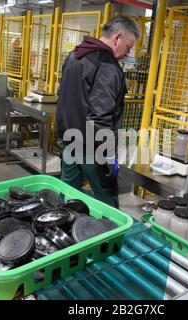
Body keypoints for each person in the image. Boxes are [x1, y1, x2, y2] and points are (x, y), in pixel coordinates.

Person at [56, 16, 140, 208]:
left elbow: (64, 99)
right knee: (107, 201)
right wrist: (109, 154)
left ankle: (64, 232)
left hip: (70, 141)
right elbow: (100, 116)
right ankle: (110, 236)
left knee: (68, 194)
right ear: (117, 37)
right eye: (128, 46)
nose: (128, 53)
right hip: (93, 149)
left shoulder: (73, 56)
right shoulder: (108, 66)